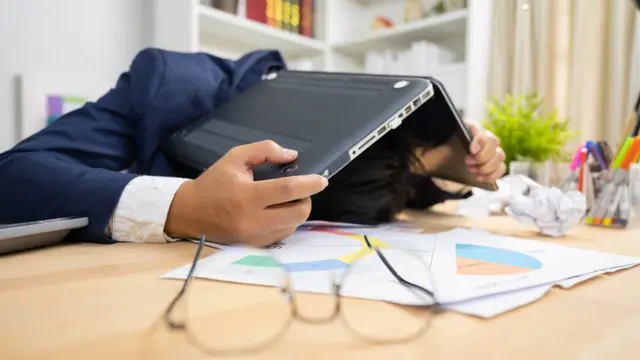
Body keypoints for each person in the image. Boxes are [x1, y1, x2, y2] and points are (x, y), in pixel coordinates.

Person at [0, 48, 505, 247]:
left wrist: (443, 166)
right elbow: (13, 175)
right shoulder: (170, 85)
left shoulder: (369, 156)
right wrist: (182, 207)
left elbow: (368, 187)